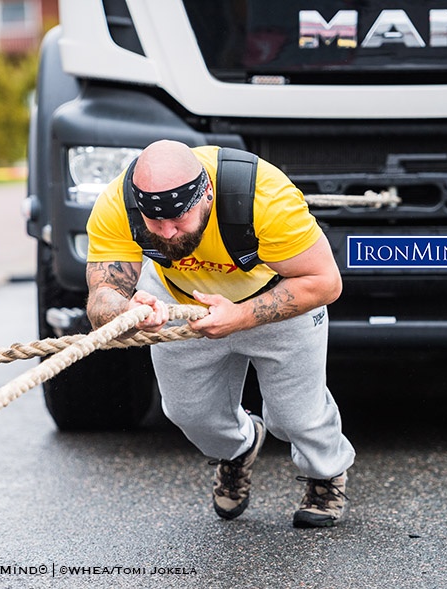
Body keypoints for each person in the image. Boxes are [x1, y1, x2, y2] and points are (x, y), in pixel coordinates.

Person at [85, 139, 356, 528]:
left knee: (296, 417)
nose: (168, 233)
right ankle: (238, 448)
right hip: (179, 299)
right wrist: (126, 312)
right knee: (188, 412)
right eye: (155, 222)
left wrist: (242, 316)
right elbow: (101, 297)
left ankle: (326, 474)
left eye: (179, 219)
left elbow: (325, 282)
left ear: (207, 193)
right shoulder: (117, 204)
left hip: (278, 297)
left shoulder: (264, 196)